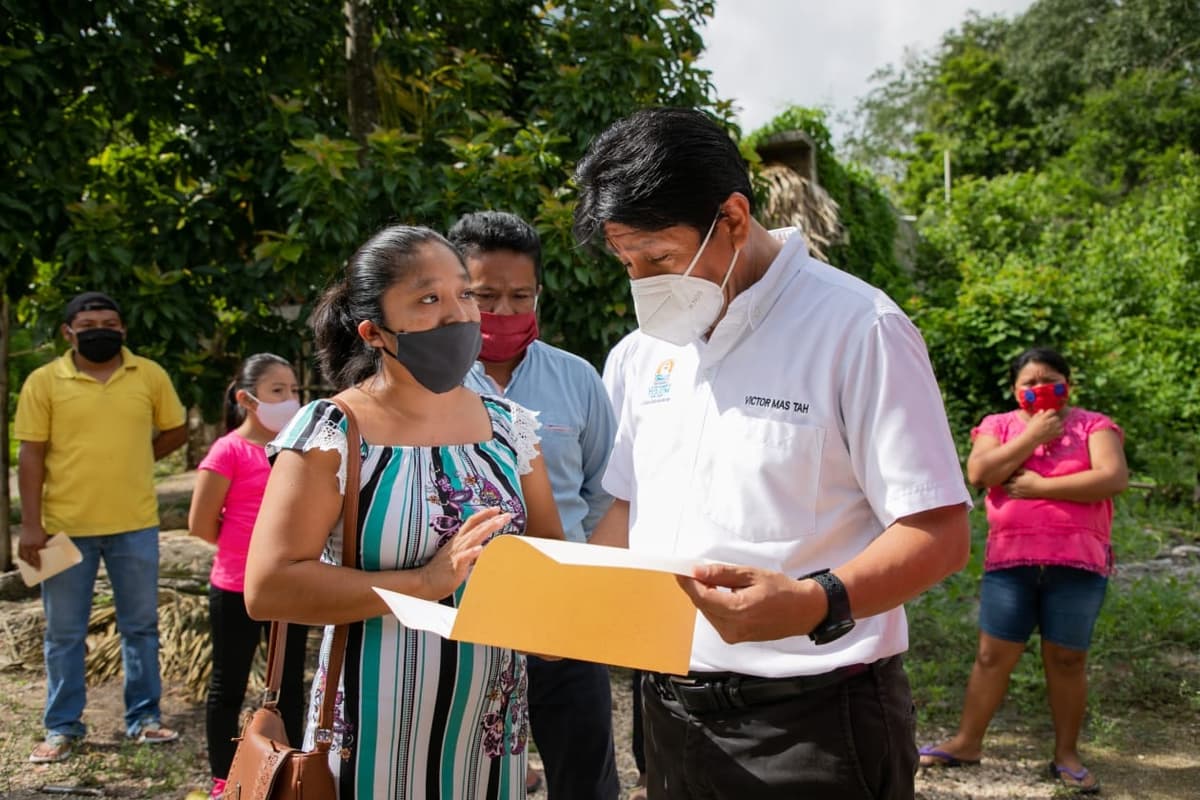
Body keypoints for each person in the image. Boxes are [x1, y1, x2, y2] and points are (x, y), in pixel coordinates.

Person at [573, 107, 973, 799]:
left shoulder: (858, 329)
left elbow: (938, 533)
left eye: (660, 259)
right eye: (627, 262)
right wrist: (561, 602)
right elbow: (628, 506)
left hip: (812, 723)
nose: (642, 282)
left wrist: (817, 601)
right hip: (668, 714)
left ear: (731, 216)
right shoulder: (641, 357)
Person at [244, 225, 566, 799]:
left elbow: (550, 561)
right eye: (428, 299)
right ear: (374, 332)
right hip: (370, 730)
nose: (458, 314)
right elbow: (268, 587)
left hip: (490, 731)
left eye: (464, 294)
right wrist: (424, 582)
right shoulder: (333, 432)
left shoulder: (510, 428)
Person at [450, 210, 621, 800]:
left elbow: (606, 490)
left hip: (564, 616)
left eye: (519, 296)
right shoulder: (428, 389)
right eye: (484, 296)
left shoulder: (577, 380)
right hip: (459, 621)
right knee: (468, 778)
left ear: (539, 294)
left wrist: (591, 584)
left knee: (584, 779)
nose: (501, 312)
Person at [918, 347, 1127, 794]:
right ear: (1015, 390)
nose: (1039, 388)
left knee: (1068, 660)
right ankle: (968, 743)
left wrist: (1039, 486)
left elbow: (1112, 477)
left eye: (1049, 378)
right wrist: (1032, 437)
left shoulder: (1094, 425)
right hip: (1010, 564)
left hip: (1078, 564)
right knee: (992, 657)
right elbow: (980, 472)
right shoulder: (999, 426)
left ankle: (1066, 756)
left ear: (1068, 384)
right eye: (1029, 382)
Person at [15, 291, 188, 763]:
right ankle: (61, 727)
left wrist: (137, 459)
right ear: (68, 332)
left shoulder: (148, 374)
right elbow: (30, 455)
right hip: (61, 530)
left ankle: (144, 719)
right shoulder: (43, 381)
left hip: (135, 525)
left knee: (141, 628)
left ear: (124, 330)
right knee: (64, 633)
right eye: (88, 323)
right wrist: (31, 527)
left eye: (110, 323)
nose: (100, 330)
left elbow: (176, 429)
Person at [188, 353, 309, 800]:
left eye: (294, 390)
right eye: (279, 391)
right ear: (246, 398)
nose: (291, 399)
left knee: (291, 684)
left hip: (288, 589)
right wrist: (247, 550)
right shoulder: (228, 451)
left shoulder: (297, 450)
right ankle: (224, 778)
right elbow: (200, 524)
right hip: (235, 589)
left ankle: (293, 772)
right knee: (228, 684)